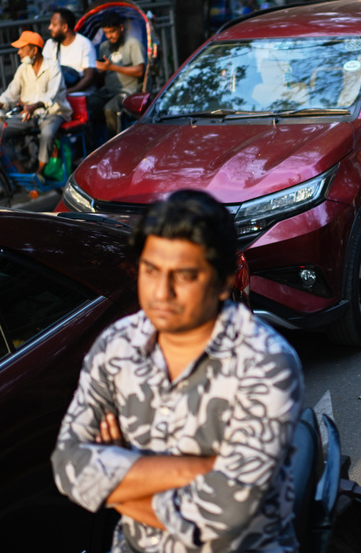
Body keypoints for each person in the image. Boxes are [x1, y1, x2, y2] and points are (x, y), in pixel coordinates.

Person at [52, 189, 304, 552]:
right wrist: (200, 470)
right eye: (151, 270)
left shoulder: (264, 364)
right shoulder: (117, 346)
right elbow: (68, 465)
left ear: (222, 282)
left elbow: (228, 516)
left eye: (184, 276)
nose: (161, 292)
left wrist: (115, 480)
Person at [0, 31, 70, 177]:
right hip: (30, 114)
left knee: (47, 133)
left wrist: (33, 106)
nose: (19, 52)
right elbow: (10, 94)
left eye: (22, 48)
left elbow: (51, 96)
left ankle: (40, 171)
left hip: (53, 112)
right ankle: (19, 167)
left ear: (34, 50)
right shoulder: (23, 69)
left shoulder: (53, 67)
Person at [89, 11, 146, 145]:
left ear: (121, 28)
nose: (109, 36)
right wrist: (100, 70)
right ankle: (94, 145)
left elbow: (139, 71)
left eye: (112, 31)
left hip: (129, 90)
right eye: (106, 33)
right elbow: (103, 72)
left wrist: (112, 67)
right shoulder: (104, 46)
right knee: (88, 104)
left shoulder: (133, 43)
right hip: (108, 90)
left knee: (110, 109)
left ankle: (114, 146)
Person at [44, 8, 97, 92]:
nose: (50, 27)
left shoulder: (85, 44)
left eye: (54, 25)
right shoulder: (50, 43)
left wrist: (67, 92)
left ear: (65, 27)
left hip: (78, 94)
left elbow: (88, 78)